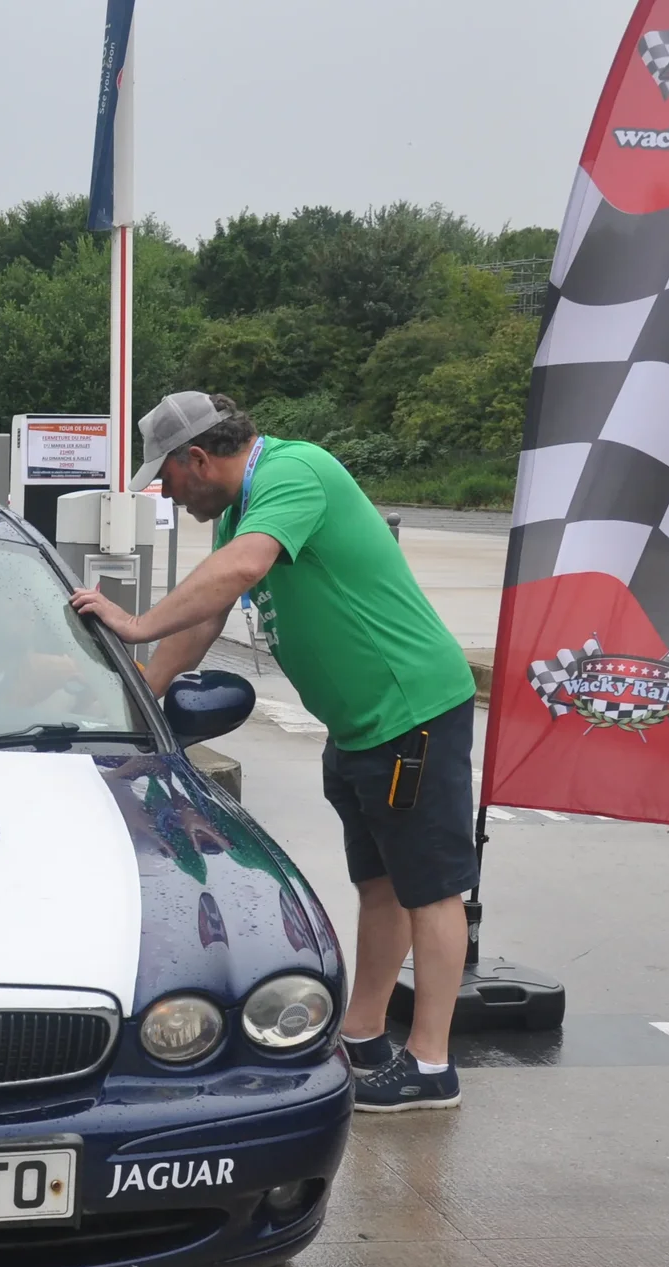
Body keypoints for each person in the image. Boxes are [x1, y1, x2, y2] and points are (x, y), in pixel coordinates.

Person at [71, 391, 478, 1112]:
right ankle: (363, 1032)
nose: (167, 494)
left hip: (411, 712)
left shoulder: (296, 472)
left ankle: (431, 1062)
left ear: (199, 458)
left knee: (431, 888)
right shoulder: (241, 509)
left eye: (167, 477)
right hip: (359, 726)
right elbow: (204, 619)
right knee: (381, 884)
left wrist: (135, 624)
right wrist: (139, 703)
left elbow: (243, 569)